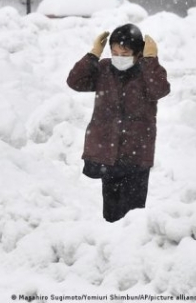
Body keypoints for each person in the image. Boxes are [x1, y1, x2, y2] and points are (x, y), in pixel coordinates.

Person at [67, 23, 170, 222]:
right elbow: (75, 81)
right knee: (111, 217)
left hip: (135, 157)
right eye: (114, 53)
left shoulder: (146, 73)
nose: (118, 59)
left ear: (138, 53)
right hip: (109, 156)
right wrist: (93, 55)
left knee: (132, 219)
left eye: (124, 54)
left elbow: (160, 89)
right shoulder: (105, 69)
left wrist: (150, 59)